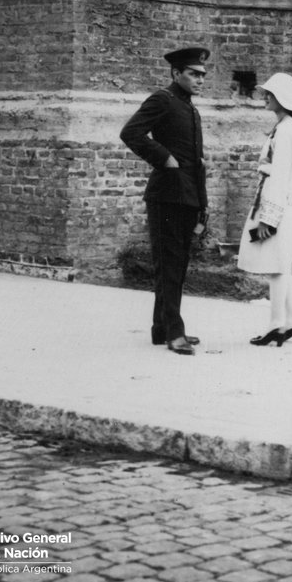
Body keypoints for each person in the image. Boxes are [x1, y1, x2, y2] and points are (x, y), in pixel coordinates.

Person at [120, 46, 210, 356]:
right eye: (193, 74)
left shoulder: (191, 109)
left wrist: (202, 205)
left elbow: (198, 163)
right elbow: (131, 132)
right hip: (166, 196)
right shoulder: (163, 99)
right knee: (169, 266)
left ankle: (161, 329)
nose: (200, 80)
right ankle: (175, 332)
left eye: (203, 76)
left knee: (177, 265)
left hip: (186, 197)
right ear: (176, 73)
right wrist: (165, 158)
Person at [237, 73, 292, 347]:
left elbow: (280, 174)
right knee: (281, 264)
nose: (265, 97)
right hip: (288, 196)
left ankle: (276, 326)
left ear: (282, 98)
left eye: (270, 94)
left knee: (277, 264)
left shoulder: (286, 129)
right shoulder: (287, 125)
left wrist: (268, 218)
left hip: (283, 199)